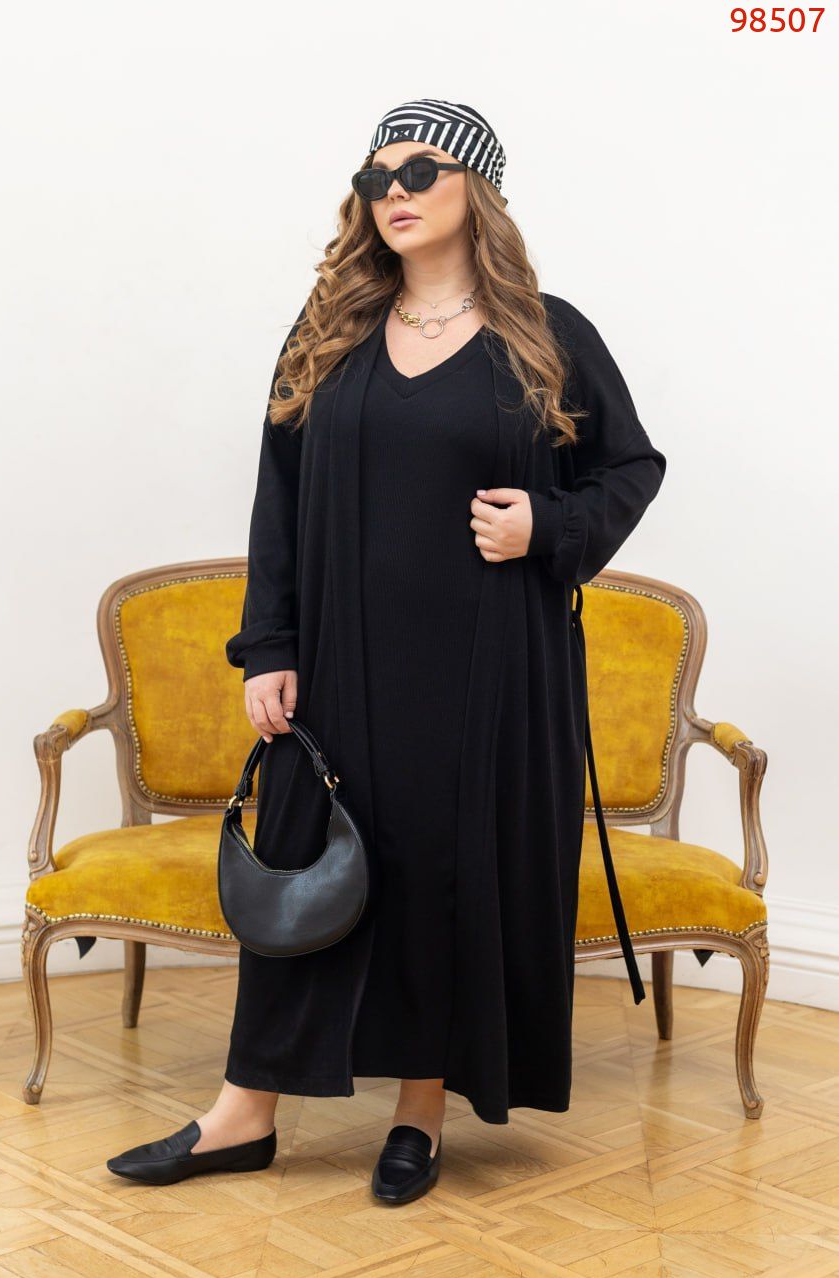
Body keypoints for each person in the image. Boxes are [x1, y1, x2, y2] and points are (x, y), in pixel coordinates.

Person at [106, 98, 667, 1205]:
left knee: (448, 869)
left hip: (490, 667)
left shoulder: (547, 332)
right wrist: (269, 644)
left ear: (478, 191)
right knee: (304, 864)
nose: (393, 192)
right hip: (343, 659)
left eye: (420, 171)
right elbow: (277, 497)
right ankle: (243, 1112)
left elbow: (630, 466)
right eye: (376, 177)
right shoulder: (331, 330)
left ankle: (420, 1111)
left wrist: (546, 526)